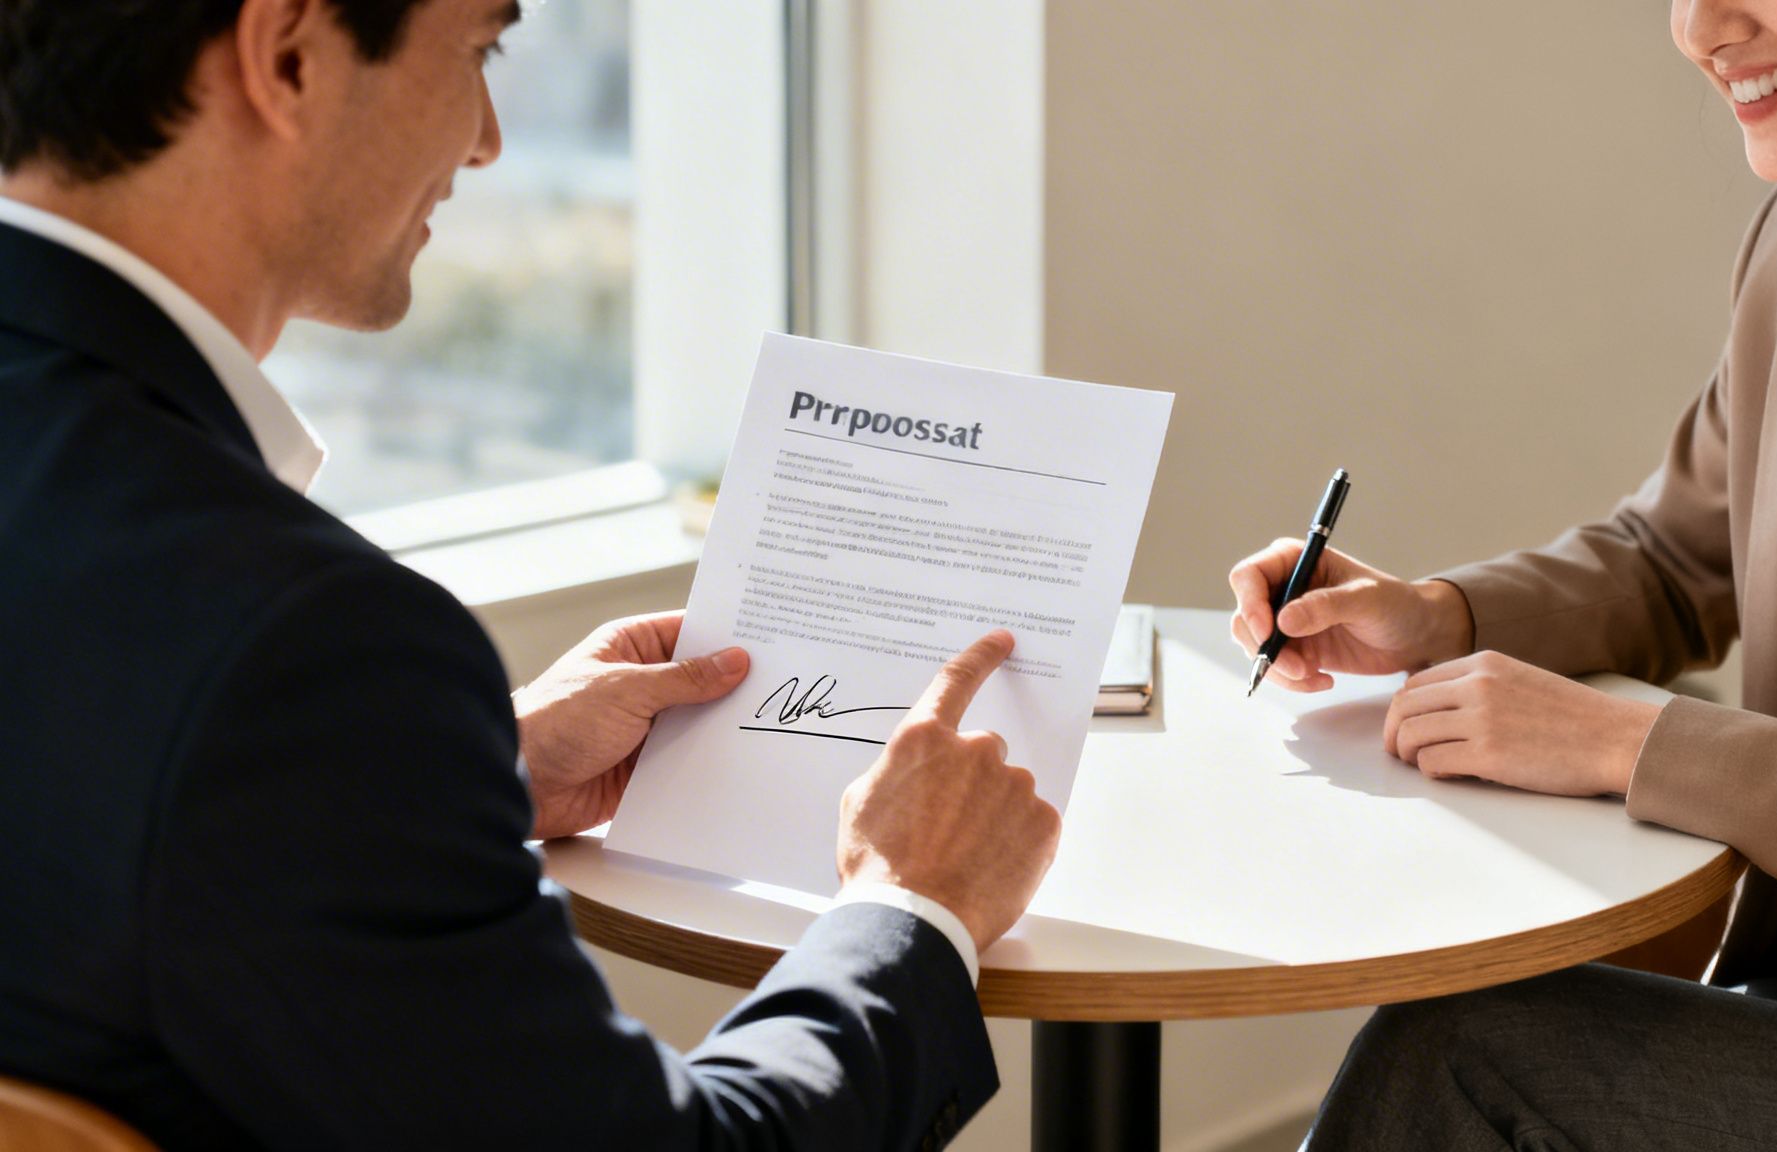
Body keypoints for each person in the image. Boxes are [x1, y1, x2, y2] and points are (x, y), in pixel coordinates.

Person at [0, 1, 1060, 1148]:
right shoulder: (302, 646)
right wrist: (910, 903)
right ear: (288, 55)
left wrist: (469, 765)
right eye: (479, 51)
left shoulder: (231, 647)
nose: (486, 139)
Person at [1229, 0, 1777, 1148]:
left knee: (1459, 1060)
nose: (1696, 24)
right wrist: (1435, 616)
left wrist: (1630, 746)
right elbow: (1675, 558)